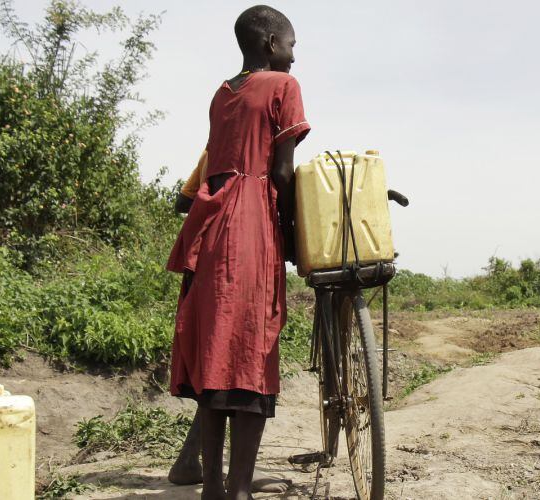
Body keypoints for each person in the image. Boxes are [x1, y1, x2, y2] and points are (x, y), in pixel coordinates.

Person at [165, 5, 309, 499]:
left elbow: (216, 160)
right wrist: (291, 233)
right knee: (250, 344)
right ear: (270, 43)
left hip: (209, 224)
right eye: (291, 44)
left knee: (216, 347)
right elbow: (284, 172)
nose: (295, 54)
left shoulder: (221, 93)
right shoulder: (283, 87)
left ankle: (213, 490)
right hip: (250, 220)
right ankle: (241, 489)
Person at [167, 148, 290, 495]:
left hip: (206, 252)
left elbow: (183, 201)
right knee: (240, 363)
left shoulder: (213, 153)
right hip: (233, 255)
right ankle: (235, 480)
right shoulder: (261, 160)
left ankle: (196, 464)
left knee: (217, 361)